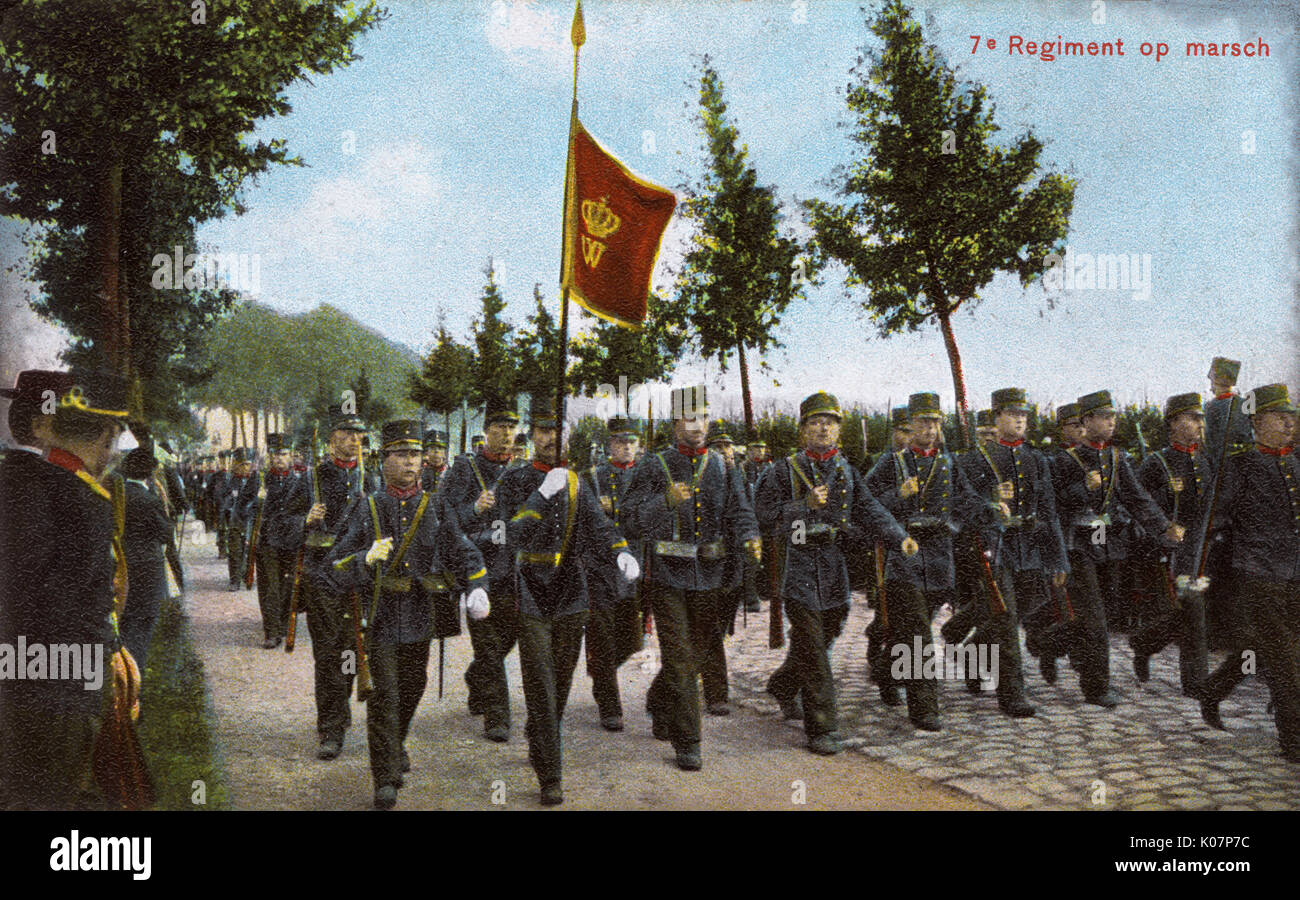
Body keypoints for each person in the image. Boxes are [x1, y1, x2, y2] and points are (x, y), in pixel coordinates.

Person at [326, 419, 489, 808]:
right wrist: (363, 559)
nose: (411, 463)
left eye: (415, 455)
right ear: (384, 461)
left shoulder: (435, 506)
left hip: (420, 612)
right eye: (401, 455)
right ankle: (384, 775)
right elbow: (330, 569)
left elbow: (461, 548)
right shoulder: (367, 507)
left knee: (413, 688)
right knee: (384, 694)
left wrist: (477, 583)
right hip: (379, 616)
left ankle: (395, 744)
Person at [0, 370, 131, 809]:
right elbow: (65, 599)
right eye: (102, 436)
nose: (106, 450)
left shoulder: (18, 480)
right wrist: (105, 650)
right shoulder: (71, 496)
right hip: (57, 681)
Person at [758, 392, 913, 755]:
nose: (823, 427)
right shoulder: (783, 470)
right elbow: (765, 516)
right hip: (796, 563)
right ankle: (822, 727)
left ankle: (782, 685)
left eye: (830, 422)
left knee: (826, 634)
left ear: (839, 431)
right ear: (803, 430)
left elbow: (871, 510)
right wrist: (803, 507)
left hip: (832, 563)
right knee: (814, 647)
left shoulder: (846, 470)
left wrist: (899, 537)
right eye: (815, 421)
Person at [500, 398, 637, 804]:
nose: (549, 439)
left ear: (568, 436)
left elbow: (599, 526)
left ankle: (540, 738)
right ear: (532, 434)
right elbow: (512, 535)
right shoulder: (515, 481)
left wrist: (620, 551)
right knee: (540, 682)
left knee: (559, 680)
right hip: (530, 587)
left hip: (571, 589)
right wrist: (542, 495)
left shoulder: (578, 482)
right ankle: (551, 773)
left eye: (557, 431)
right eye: (542, 431)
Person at [623, 385, 761, 771]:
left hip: (712, 576)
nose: (697, 425)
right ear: (675, 422)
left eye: (702, 417)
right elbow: (630, 518)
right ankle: (689, 741)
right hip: (668, 576)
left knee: (697, 654)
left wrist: (750, 538)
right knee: (681, 658)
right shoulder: (654, 465)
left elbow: (740, 512)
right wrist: (664, 502)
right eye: (689, 417)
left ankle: (659, 702)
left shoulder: (721, 465)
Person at [865, 392, 992, 732]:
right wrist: (898, 496)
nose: (930, 429)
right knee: (919, 635)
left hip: (939, 557)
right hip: (904, 556)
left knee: (910, 631)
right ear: (911, 425)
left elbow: (967, 501)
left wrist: (986, 512)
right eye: (923, 422)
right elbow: (865, 503)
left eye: (935, 422)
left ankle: (883, 670)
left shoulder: (950, 464)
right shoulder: (892, 463)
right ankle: (924, 707)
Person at [1048, 390, 1183, 707]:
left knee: (1101, 615)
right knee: (1094, 617)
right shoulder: (1065, 460)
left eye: (1113, 417)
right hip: (1078, 545)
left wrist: (1164, 526)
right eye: (1104, 417)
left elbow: (1138, 499)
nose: (1111, 422)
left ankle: (1046, 643)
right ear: (1087, 421)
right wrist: (1083, 488)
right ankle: (1096, 687)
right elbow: (1054, 505)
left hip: (1109, 546)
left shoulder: (1117, 458)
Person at [1199, 383, 1300, 761]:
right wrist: (1197, 569)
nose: (1289, 423)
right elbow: (1213, 520)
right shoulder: (1240, 467)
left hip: (1295, 572)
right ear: (1257, 422)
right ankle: (1293, 741)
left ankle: (1215, 688)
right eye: (1279, 417)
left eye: (1291, 416)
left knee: (1262, 650)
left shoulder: (1296, 462)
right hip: (1257, 573)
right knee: (1287, 657)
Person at [956, 387, 1069, 718]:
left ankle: (974, 650)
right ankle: (1012, 694)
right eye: (1012, 415)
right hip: (996, 546)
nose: (1020, 420)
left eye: (1024, 415)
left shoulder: (1036, 459)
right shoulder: (975, 459)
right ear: (997, 418)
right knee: (1005, 619)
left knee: (1020, 609)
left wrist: (1057, 557)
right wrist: (991, 503)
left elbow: (1048, 510)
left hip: (1030, 547)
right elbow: (961, 502)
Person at [281, 405, 376, 760]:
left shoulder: (371, 478)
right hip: (322, 578)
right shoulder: (310, 479)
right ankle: (331, 727)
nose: (353, 441)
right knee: (328, 653)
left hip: (361, 577)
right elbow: (281, 525)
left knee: (352, 649)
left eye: (358, 435)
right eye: (346, 434)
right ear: (331, 437)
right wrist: (304, 520)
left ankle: (342, 706)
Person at [440, 404, 520, 741]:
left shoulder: (521, 470)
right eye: (500, 427)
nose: (506, 434)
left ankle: (476, 678)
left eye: (512, 428)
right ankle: (498, 716)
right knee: (488, 645)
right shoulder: (463, 468)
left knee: (510, 636)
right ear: (486, 430)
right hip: (477, 569)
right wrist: (474, 508)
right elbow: (446, 517)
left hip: (513, 570)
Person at [1130, 394, 1212, 695]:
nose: (1199, 424)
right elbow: (1136, 504)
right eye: (1192, 418)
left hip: (1198, 548)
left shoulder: (1203, 461)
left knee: (1188, 613)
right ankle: (1196, 683)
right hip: (1166, 551)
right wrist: (1163, 527)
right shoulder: (1157, 462)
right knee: (1189, 613)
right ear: (1175, 422)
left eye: (1201, 418)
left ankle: (1144, 643)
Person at [582, 417, 646, 732]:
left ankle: (600, 670)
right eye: (620, 442)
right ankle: (609, 703)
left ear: (639, 446)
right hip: (600, 569)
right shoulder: (592, 477)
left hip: (636, 567)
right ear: (610, 445)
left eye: (631, 442)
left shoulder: (647, 476)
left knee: (632, 640)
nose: (626, 447)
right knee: (603, 637)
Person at [242, 433, 299, 648]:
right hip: (268, 541)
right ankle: (271, 631)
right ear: (270, 456)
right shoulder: (259, 479)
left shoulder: (301, 481)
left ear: (291, 456)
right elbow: (242, 507)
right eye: (275, 454)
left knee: (287, 585)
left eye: (284, 454)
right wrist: (257, 502)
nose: (279, 459)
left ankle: (283, 624)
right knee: (270, 588)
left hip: (292, 541)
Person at [118, 443, 173, 666]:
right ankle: (134, 675)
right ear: (150, 472)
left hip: (123, 565)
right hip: (148, 568)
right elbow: (166, 533)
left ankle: (121, 674)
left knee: (124, 622)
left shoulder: (118, 495)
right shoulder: (150, 500)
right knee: (142, 626)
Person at [420, 428, 449, 494]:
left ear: (445, 453)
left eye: (440, 448)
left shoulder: (451, 474)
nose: (436, 451)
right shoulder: (420, 473)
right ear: (427, 452)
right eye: (432, 448)